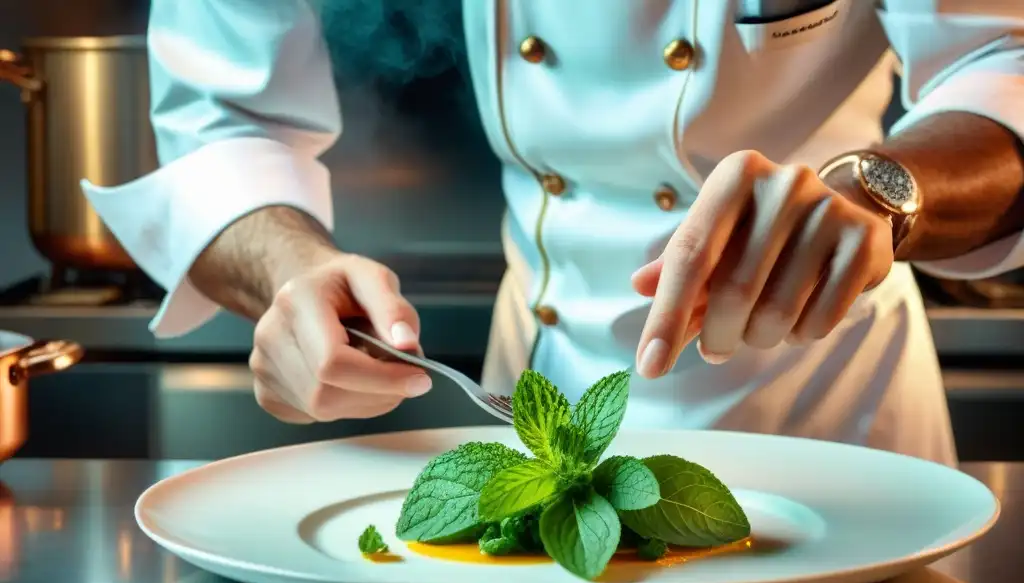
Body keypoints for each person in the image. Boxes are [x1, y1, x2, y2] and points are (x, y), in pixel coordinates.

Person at [83, 1, 1024, 467]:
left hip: (832, 421)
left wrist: (882, 192)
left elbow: (1003, 58)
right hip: (536, 415)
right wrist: (296, 272)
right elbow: (222, 120)